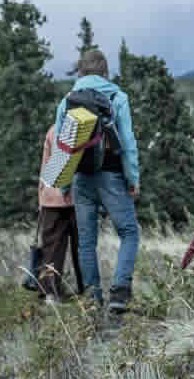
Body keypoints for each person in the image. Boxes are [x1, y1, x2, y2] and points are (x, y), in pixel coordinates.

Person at [55, 49, 140, 316]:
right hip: (112, 174)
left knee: (86, 241)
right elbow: (127, 142)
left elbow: (63, 146)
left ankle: (93, 296)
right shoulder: (118, 97)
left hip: (81, 177)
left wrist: (64, 185)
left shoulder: (67, 100)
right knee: (129, 232)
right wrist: (132, 177)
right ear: (105, 72)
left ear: (80, 72)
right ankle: (120, 292)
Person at [36, 124, 84, 303]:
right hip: (79, 198)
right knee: (83, 248)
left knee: (51, 249)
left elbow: (45, 165)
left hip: (51, 198)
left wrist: (41, 197)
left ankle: (50, 292)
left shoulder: (53, 130)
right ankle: (86, 289)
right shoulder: (86, 129)